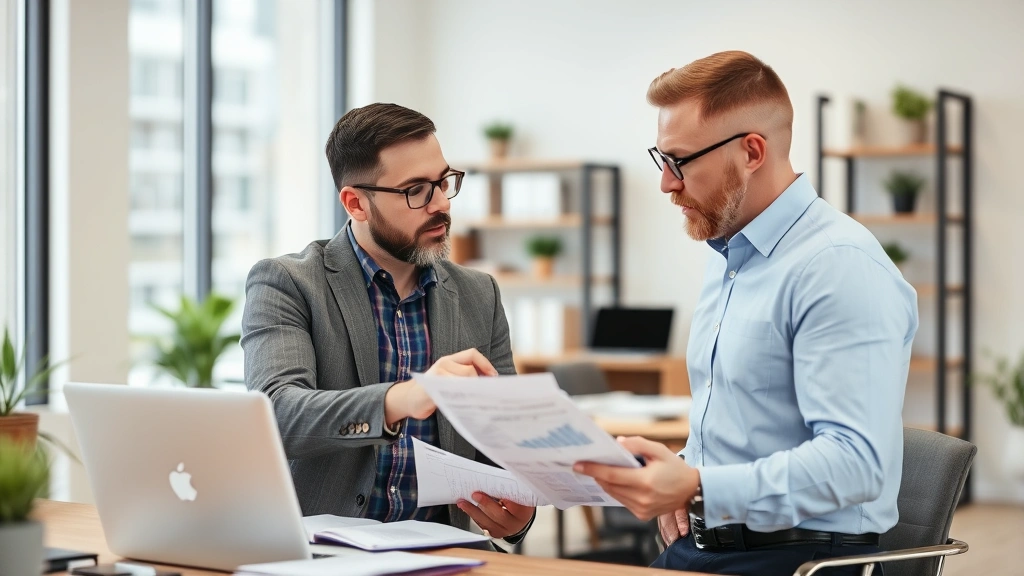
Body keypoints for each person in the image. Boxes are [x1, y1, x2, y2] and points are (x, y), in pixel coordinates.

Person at [574, 51, 919, 575]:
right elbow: (739, 427)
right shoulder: (728, 256)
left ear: (752, 151)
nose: (666, 183)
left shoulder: (838, 266)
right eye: (661, 159)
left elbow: (856, 464)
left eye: (680, 161)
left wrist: (699, 487)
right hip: (706, 545)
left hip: (801, 559)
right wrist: (684, 474)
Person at [241, 103, 534, 544]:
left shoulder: (479, 294)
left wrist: (518, 513)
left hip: (441, 553)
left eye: (443, 182)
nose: (441, 204)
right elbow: (276, 414)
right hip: (322, 554)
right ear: (356, 203)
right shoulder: (289, 283)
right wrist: (401, 398)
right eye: (416, 190)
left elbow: (506, 443)